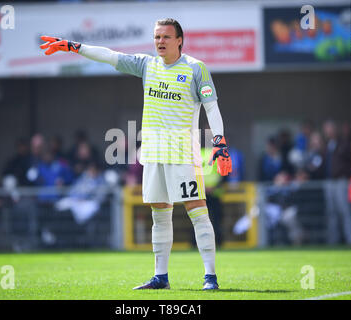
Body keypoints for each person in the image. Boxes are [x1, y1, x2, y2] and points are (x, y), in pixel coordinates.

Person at [40, 18, 232, 290]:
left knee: (197, 212)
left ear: (180, 40)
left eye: (166, 37)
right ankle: (160, 277)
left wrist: (219, 142)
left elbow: (211, 108)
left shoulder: (195, 68)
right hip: (152, 156)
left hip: (182, 155)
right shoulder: (146, 64)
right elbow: (110, 56)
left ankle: (210, 277)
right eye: (156, 37)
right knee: (160, 214)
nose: (160, 42)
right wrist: (75, 47)